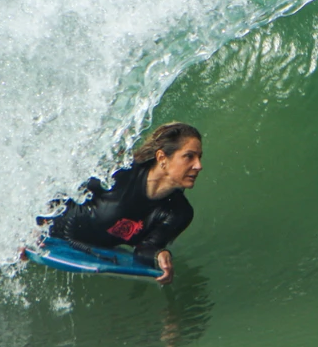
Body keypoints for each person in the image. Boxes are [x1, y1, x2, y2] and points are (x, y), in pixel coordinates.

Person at [39, 122, 202, 284]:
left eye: (199, 157)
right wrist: (31, 227)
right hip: (48, 232)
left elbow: (145, 248)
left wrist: (159, 255)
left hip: (92, 252)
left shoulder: (179, 212)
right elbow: (64, 187)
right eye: (189, 156)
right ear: (162, 158)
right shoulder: (122, 173)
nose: (198, 165)